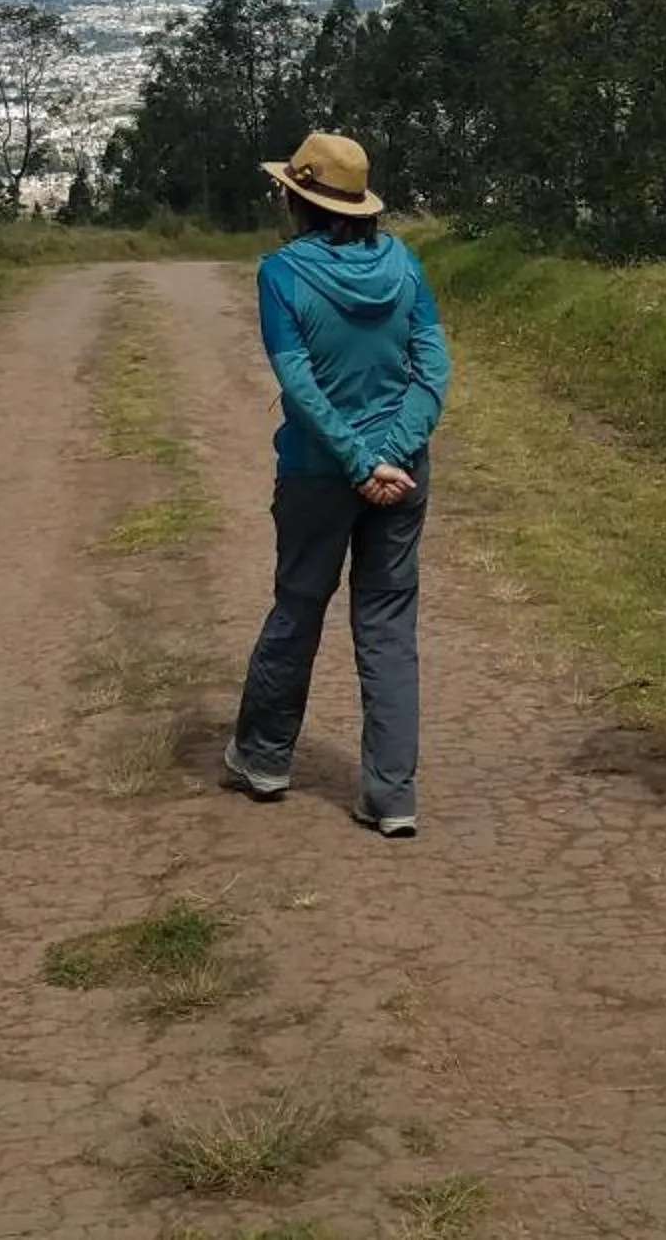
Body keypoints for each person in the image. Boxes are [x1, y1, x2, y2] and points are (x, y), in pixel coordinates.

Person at [223, 131, 451, 839]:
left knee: (298, 605)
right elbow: (433, 371)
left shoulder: (281, 274)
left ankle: (263, 758)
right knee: (388, 627)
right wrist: (392, 453)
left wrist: (357, 460)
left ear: (298, 198)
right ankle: (392, 797)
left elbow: (299, 383)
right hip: (401, 474)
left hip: (319, 473)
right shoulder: (405, 265)